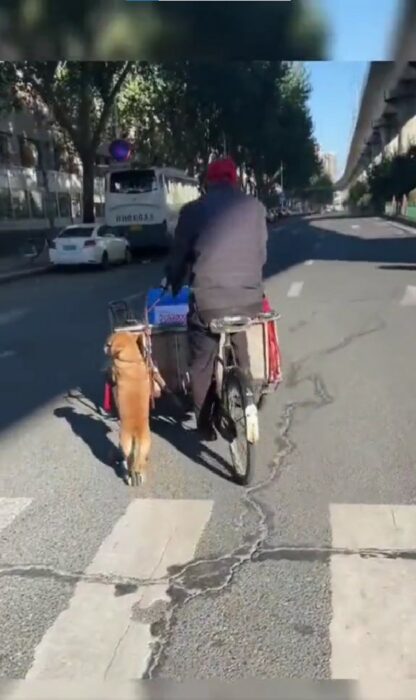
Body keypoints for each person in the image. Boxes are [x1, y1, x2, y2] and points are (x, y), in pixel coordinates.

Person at [164, 157, 268, 440]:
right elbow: (261, 255)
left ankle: (204, 423)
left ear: (207, 182)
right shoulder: (256, 208)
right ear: (235, 179)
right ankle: (246, 386)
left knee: (201, 360)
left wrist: (173, 282)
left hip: (208, 302)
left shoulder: (192, 211)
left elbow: (179, 258)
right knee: (238, 332)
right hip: (249, 300)